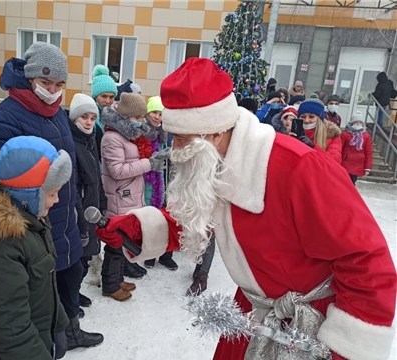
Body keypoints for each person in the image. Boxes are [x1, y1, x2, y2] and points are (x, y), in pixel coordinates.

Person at [95, 58, 396, 360]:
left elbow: (366, 262)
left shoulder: (301, 168)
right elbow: (195, 214)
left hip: (311, 326)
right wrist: (139, 229)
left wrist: (344, 349)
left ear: (213, 132)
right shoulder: (212, 159)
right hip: (255, 313)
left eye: (182, 138)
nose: (175, 149)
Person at [0, 42, 103, 350]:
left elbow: (71, 170)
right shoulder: (7, 116)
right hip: (35, 225)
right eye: (45, 82)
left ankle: (72, 329)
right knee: (44, 293)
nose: (52, 90)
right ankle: (52, 341)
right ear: (29, 78)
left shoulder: (57, 113)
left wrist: (77, 212)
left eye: (59, 84)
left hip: (66, 218)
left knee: (72, 275)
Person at [0, 136, 72, 360]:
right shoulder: (0, 245)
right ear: (29, 195)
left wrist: (59, 325)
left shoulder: (33, 223)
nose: (56, 201)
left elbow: (44, 287)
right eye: (52, 194)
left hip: (31, 342)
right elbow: (9, 328)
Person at [100, 93, 166, 301]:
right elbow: (117, 171)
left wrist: (152, 159)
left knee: (121, 243)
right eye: (137, 118)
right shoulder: (112, 138)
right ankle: (110, 285)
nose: (141, 121)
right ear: (126, 116)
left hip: (129, 195)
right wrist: (149, 164)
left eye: (141, 117)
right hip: (120, 197)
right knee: (115, 243)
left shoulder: (130, 135)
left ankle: (116, 279)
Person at [67, 93, 106, 316]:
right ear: (74, 119)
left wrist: (102, 204)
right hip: (79, 214)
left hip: (91, 210)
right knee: (76, 262)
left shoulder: (90, 140)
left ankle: (75, 293)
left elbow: (96, 178)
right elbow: (74, 188)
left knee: (85, 259)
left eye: (92, 118)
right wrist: (82, 220)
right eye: (84, 117)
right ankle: (69, 300)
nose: (89, 122)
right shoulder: (72, 143)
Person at [142, 96, 177, 271]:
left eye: (160, 114)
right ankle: (150, 253)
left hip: (165, 180)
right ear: (148, 112)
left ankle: (165, 255)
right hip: (148, 181)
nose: (157, 117)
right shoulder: (142, 132)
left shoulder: (165, 133)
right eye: (154, 112)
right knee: (151, 219)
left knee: (166, 218)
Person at [298, 98, 343, 164]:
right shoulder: (291, 132)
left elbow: (335, 161)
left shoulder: (332, 134)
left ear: (319, 118)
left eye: (311, 117)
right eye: (303, 117)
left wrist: (313, 147)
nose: (306, 120)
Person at [92, 65, 118, 161]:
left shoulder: (116, 116)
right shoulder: (88, 115)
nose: (108, 101)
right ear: (95, 96)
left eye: (111, 97)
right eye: (104, 96)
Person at [341, 111, 373, 185]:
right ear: (352, 123)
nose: (358, 124)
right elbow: (340, 148)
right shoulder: (345, 134)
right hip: (345, 163)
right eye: (356, 122)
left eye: (360, 122)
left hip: (358, 164)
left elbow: (368, 152)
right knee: (344, 183)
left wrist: (367, 167)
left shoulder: (366, 136)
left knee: (352, 183)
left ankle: (349, 196)